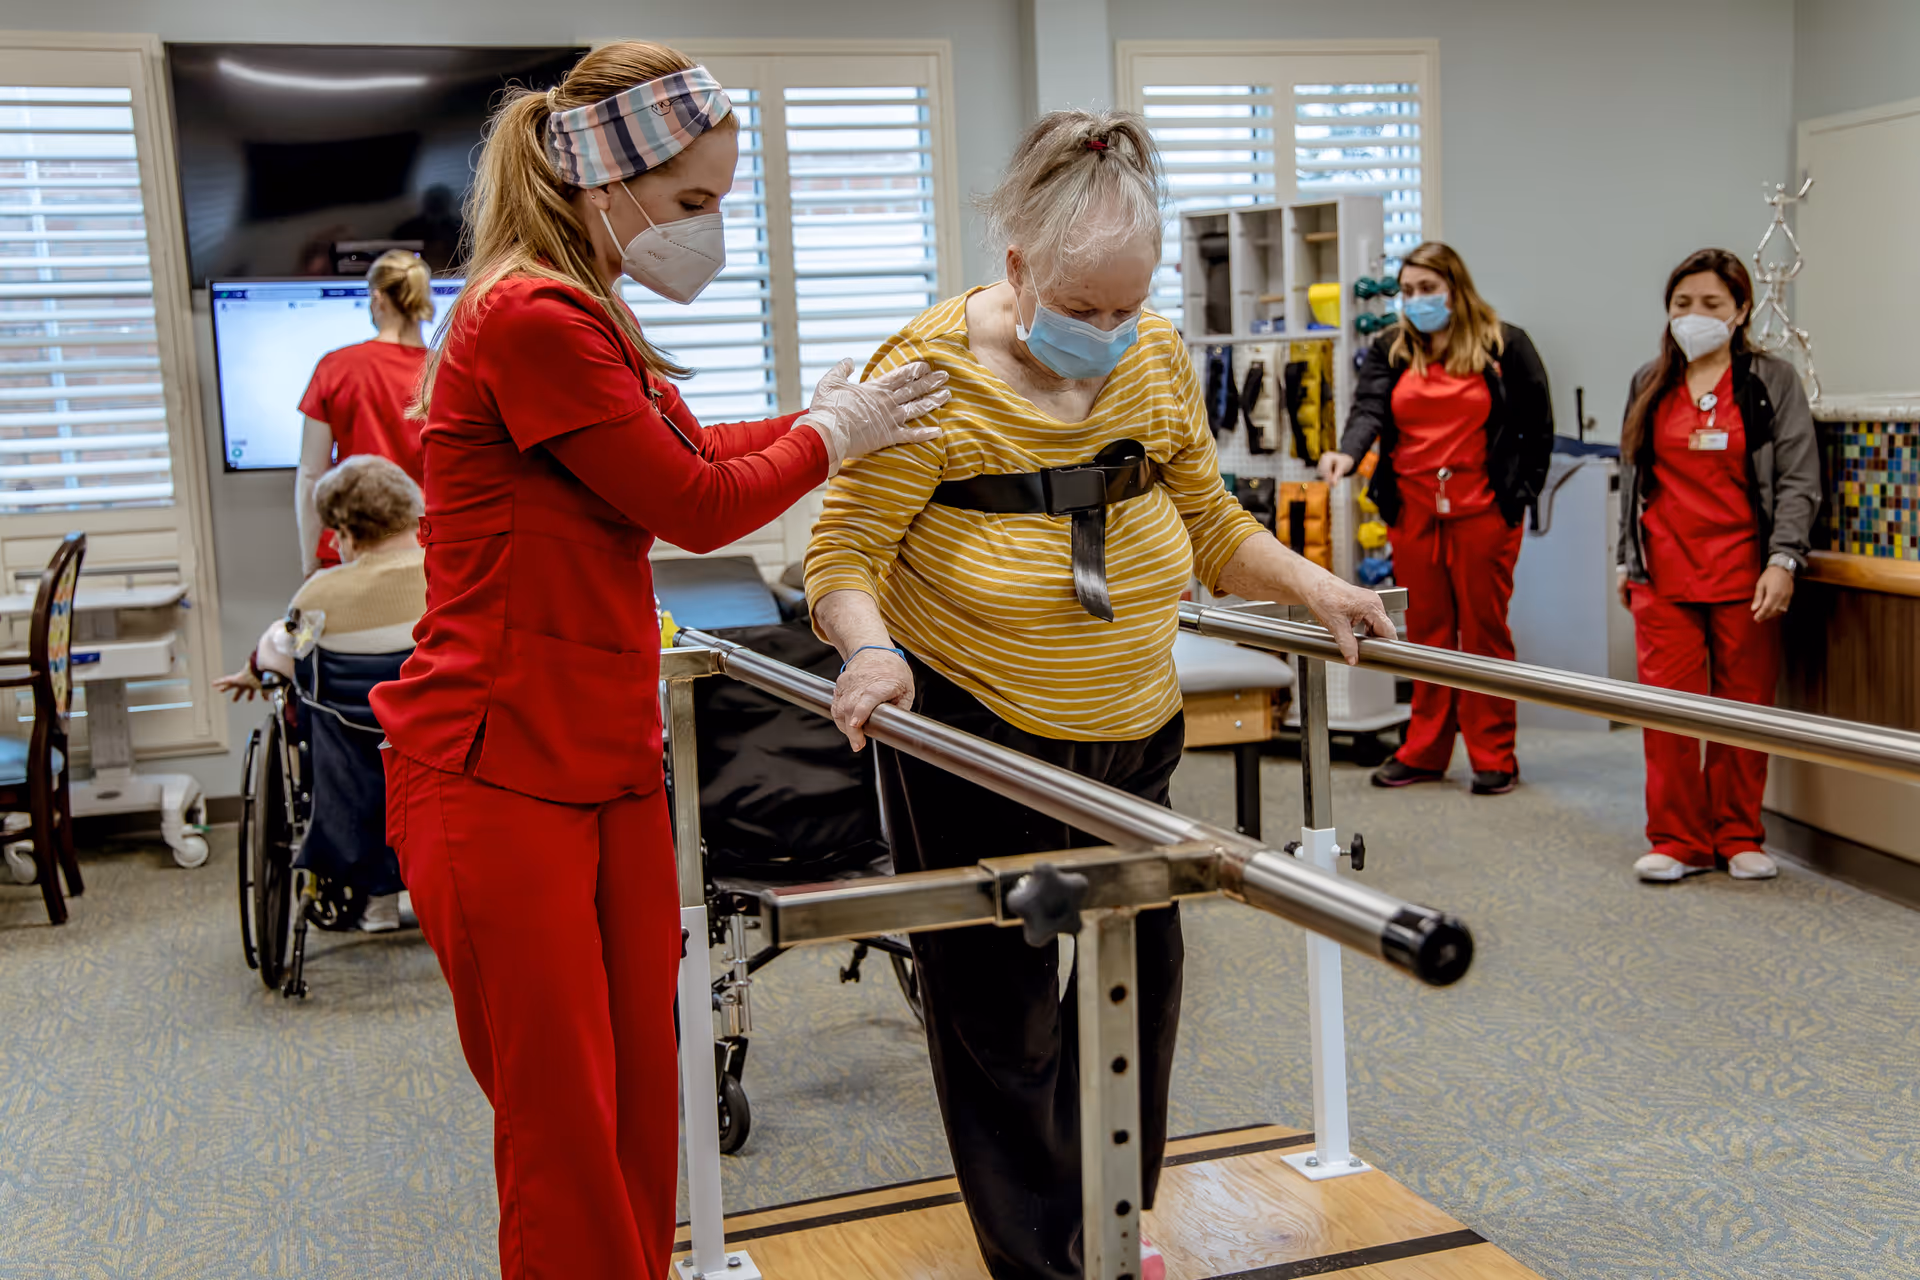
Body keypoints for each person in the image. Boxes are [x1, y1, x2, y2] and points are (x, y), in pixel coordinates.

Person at [368, 43, 948, 1280]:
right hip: (493, 761)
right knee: (563, 1123)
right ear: (599, 181)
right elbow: (690, 500)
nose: (709, 230)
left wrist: (814, 417)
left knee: (646, 1093)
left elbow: (680, 442)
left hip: (604, 760)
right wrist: (827, 442)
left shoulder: (595, 311)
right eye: (691, 204)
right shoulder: (525, 314)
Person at [805, 109, 1394, 1280]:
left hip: (1132, 723)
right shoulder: (924, 375)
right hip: (975, 736)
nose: (1114, 334)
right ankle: (1040, 1263)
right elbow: (843, 559)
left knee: (1137, 996)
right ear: (1017, 268)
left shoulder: (1157, 358)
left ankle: (1105, 1234)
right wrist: (869, 652)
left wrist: (1312, 584)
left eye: (1132, 307)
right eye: (1086, 311)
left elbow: (1211, 521)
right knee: (999, 1016)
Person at [1318, 242, 1553, 795]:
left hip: (1484, 511)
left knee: (1485, 632)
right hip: (1415, 511)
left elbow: (1537, 428)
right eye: (1408, 291)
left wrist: (1518, 497)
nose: (1417, 300)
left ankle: (1495, 753)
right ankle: (1425, 749)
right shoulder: (1392, 349)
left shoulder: (1504, 344)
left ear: (1455, 287)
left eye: (1428, 289)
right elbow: (1370, 408)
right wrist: (1348, 454)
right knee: (1424, 632)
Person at [1616, 248, 1819, 883]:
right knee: (1669, 713)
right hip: (1664, 574)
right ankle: (1677, 840)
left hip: (1745, 572)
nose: (1694, 315)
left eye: (1711, 304)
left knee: (1743, 708)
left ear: (1740, 312)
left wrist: (1784, 558)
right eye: (1683, 304)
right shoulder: (1651, 381)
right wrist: (1627, 560)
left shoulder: (1769, 380)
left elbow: (1798, 477)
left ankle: (1738, 834)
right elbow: (1632, 482)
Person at [214, 454, 427, 931]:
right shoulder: (448, 578)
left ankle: (377, 898)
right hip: (441, 761)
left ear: (343, 533)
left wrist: (254, 667)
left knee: (306, 706)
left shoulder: (317, 597)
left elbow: (282, 652)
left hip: (349, 786)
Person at [295, 249, 434, 575]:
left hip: (351, 549)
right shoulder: (447, 370)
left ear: (378, 298)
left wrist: (310, 563)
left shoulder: (335, 367)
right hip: (425, 553)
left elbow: (312, 474)